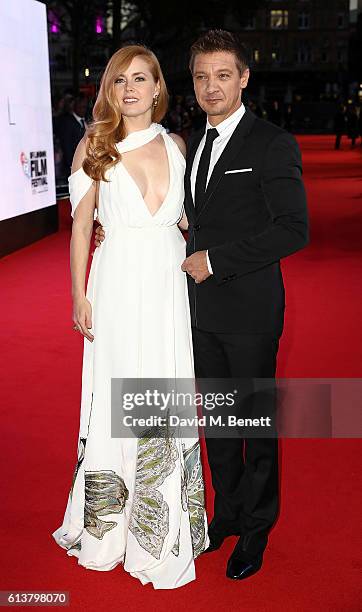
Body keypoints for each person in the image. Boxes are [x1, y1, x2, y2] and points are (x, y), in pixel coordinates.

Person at [95, 29, 309, 582]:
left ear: (243, 78)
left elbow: (293, 229)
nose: (211, 86)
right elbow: (190, 215)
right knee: (218, 424)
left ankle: (257, 529)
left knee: (253, 424)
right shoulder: (188, 144)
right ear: (191, 84)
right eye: (201, 76)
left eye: (222, 75)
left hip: (250, 313)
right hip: (194, 314)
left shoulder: (271, 143)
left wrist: (215, 260)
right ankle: (228, 514)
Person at [52, 44, 209, 590]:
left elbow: (188, 218)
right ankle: (108, 528)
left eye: (141, 78)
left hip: (166, 285)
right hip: (116, 283)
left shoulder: (177, 145)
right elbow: (80, 227)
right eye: (121, 81)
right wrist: (78, 295)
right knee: (118, 395)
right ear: (110, 91)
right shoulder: (95, 145)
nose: (132, 89)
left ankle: (161, 532)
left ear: (159, 86)